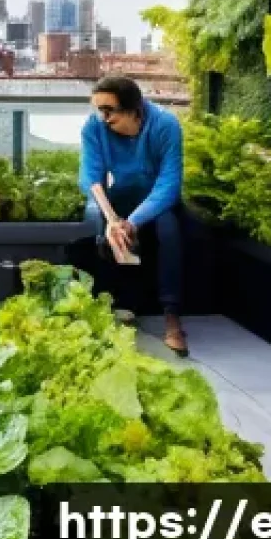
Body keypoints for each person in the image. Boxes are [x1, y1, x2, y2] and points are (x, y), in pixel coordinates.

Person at [78, 75, 188, 356]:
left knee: (168, 230)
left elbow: (169, 184)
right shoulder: (94, 127)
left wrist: (133, 222)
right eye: (99, 110)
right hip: (120, 197)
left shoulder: (165, 125)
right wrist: (112, 220)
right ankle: (113, 308)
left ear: (134, 110)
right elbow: (90, 176)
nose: (103, 118)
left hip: (157, 201)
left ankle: (172, 316)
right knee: (100, 230)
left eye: (109, 111)